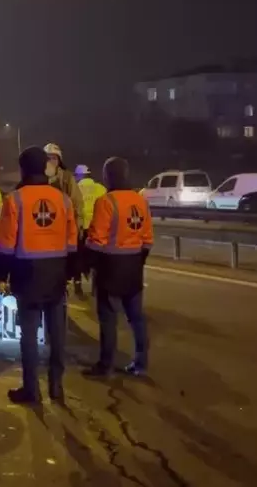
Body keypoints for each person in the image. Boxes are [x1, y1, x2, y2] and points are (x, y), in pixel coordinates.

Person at [0, 146, 78, 405]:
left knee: (28, 334)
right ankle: (56, 385)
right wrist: (70, 273)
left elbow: (6, 244)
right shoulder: (63, 199)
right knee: (57, 334)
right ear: (45, 167)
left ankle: (31, 390)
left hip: (25, 273)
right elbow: (73, 242)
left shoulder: (15, 199)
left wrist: (1, 275)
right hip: (56, 273)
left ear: (22, 169)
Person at [83, 157, 153, 378]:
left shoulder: (106, 202)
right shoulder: (140, 201)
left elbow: (97, 242)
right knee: (136, 318)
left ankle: (106, 366)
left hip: (110, 269)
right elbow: (148, 240)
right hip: (134, 268)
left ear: (108, 177)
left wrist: (84, 263)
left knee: (109, 320)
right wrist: (137, 261)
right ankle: (141, 364)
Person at [44, 143, 87, 296]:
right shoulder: (38, 178)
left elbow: (77, 202)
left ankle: (65, 287)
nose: (51, 161)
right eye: (48, 158)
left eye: (54, 158)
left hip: (63, 228)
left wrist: (79, 225)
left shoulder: (67, 178)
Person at [74, 164, 107, 296]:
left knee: (78, 258)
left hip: (81, 229)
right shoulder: (100, 188)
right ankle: (95, 288)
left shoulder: (75, 189)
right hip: (97, 229)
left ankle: (78, 287)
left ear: (79, 176)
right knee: (97, 260)